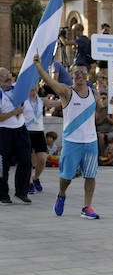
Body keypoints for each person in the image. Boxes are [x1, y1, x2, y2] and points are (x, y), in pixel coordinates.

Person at [33, 57, 101, 218]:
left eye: (83, 72)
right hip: (72, 142)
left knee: (90, 175)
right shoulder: (66, 91)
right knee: (66, 177)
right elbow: (49, 81)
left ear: (88, 75)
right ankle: (61, 195)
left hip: (91, 142)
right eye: (76, 72)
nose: (80, 75)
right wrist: (38, 66)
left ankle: (87, 207)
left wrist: (105, 106)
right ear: (71, 74)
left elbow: (98, 114)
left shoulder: (94, 93)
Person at [0, 67, 33, 204]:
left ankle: (21, 192)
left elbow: (30, 80)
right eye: (4, 75)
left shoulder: (16, 89)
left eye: (9, 74)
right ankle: (3, 194)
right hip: (4, 132)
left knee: (26, 161)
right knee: (4, 164)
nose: (9, 77)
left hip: (20, 129)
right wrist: (15, 112)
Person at [24, 86, 60, 194]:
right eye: (30, 86)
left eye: (35, 86)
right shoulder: (23, 100)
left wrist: (67, 94)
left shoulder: (41, 100)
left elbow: (57, 103)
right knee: (29, 160)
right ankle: (29, 183)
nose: (33, 88)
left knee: (42, 159)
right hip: (27, 131)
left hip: (39, 132)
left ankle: (36, 178)